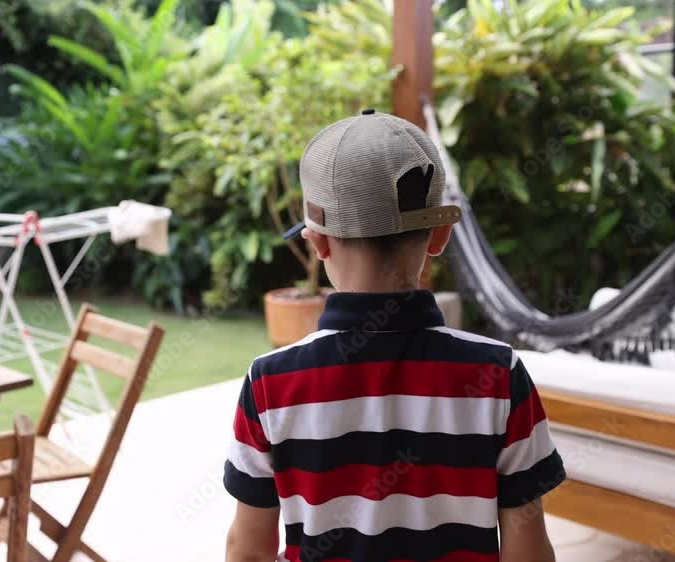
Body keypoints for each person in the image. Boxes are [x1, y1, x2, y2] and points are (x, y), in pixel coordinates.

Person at [223, 109, 565, 562]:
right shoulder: (500, 375)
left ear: (317, 241)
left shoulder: (270, 382)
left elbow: (246, 550)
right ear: (440, 235)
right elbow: (529, 549)